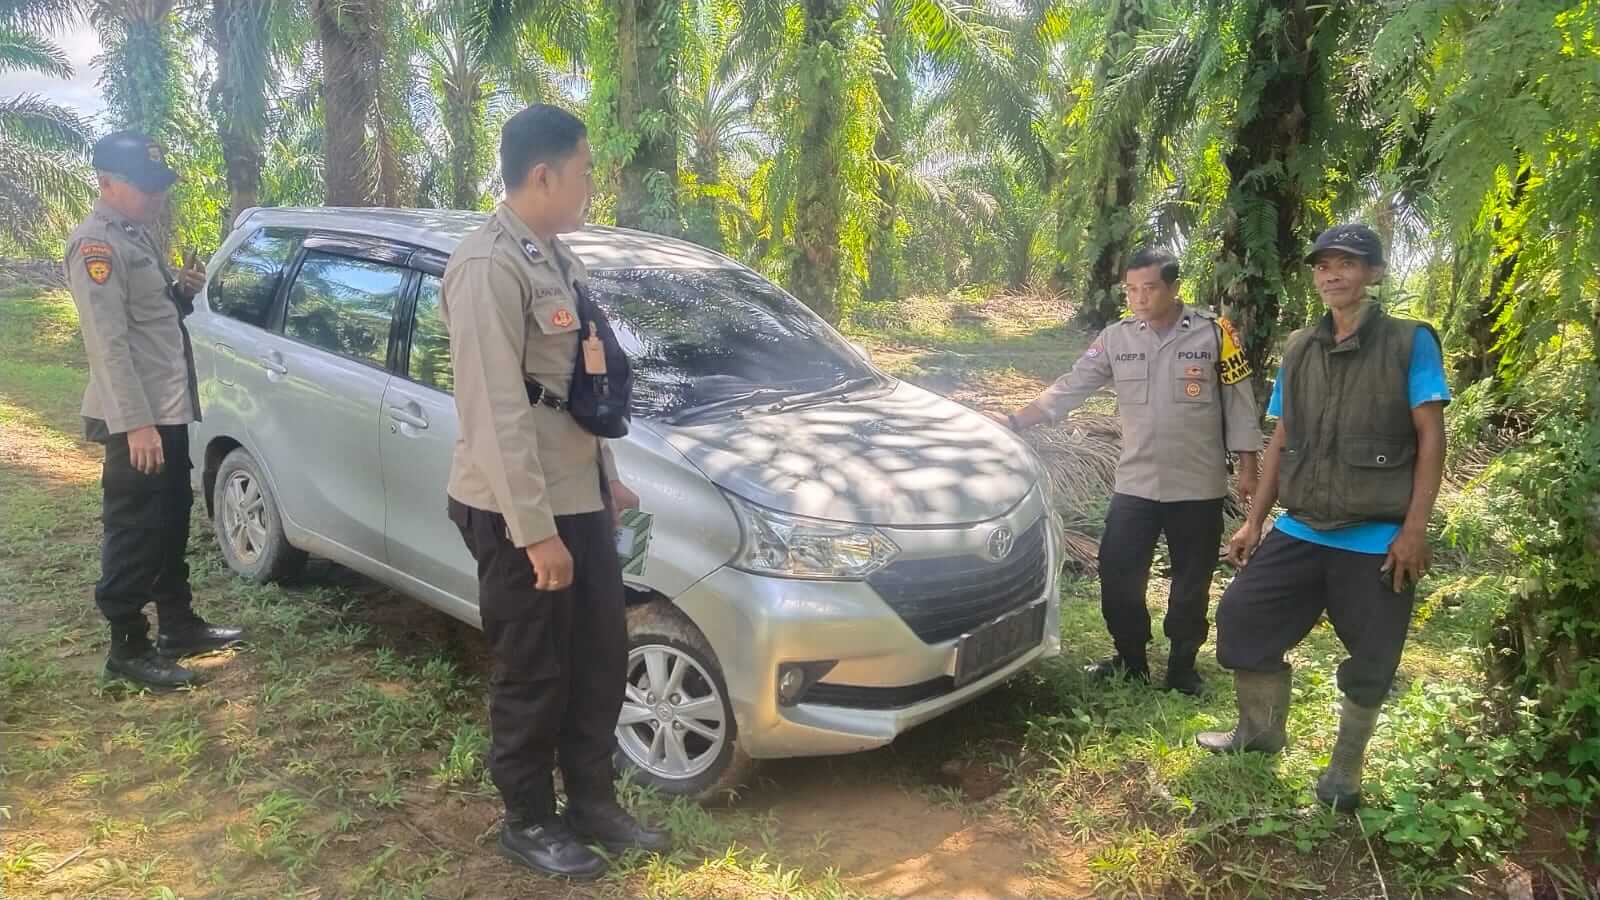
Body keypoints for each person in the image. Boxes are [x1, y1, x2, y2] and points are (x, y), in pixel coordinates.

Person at [441, 104, 669, 881]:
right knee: (534, 668)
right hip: (517, 508)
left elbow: (572, 388)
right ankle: (528, 820)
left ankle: (593, 803)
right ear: (543, 175)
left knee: (599, 657)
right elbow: (497, 410)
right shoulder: (487, 266)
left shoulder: (554, 258)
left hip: (575, 497)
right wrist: (534, 531)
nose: (591, 185)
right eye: (585, 171)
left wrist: (607, 480)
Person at [1197, 224, 1449, 813]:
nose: (1333, 274)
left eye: (1348, 263)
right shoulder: (1300, 347)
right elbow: (1282, 436)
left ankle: (1344, 771)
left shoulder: (1410, 343)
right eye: (1323, 265)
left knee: (1373, 656)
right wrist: (1254, 522)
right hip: (1302, 525)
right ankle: (1259, 733)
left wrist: (1415, 530)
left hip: (1377, 535)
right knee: (1242, 615)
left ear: (1375, 273)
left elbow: (1431, 436)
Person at [992, 248, 1261, 695]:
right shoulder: (1116, 339)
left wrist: (1248, 466)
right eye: (1131, 290)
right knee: (1118, 571)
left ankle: (1182, 666)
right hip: (1135, 481)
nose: (1138, 298)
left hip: (1197, 482)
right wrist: (1017, 420)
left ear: (1173, 288)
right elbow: (1071, 386)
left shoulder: (1216, 334)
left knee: (1192, 580)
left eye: (1149, 288)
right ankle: (1130, 658)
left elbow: (1239, 400)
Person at [66, 130, 244, 691]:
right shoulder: (97, 245)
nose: (155, 196)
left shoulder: (135, 236)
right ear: (107, 183)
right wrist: (136, 423)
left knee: (168, 521)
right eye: (144, 188)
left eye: (158, 187)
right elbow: (107, 343)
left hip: (166, 412)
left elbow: (149, 319)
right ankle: (127, 645)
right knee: (135, 528)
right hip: (137, 420)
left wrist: (182, 290)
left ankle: (178, 625)